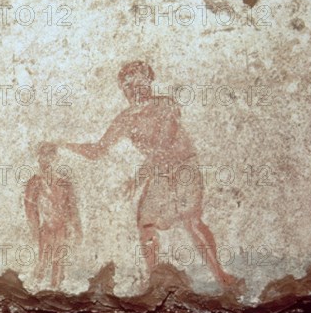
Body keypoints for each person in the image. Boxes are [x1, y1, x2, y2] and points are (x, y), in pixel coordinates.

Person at [54, 61, 244, 293]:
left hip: (184, 167)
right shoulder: (125, 119)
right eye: (129, 85)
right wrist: (63, 144)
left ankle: (222, 276)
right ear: (123, 90)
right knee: (145, 223)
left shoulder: (165, 106)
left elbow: (163, 147)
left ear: (149, 83)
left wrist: (136, 180)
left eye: (140, 83)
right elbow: (98, 150)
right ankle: (154, 279)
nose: (136, 89)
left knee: (191, 220)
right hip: (160, 174)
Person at [24, 142, 82, 288]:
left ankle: (54, 296)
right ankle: (33, 293)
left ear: (55, 158)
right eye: (41, 156)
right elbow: (30, 209)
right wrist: (35, 230)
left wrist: (77, 229)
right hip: (46, 229)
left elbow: (73, 209)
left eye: (47, 156)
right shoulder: (34, 182)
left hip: (62, 228)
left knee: (58, 270)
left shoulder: (65, 183)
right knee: (42, 265)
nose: (42, 160)